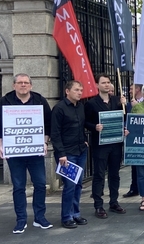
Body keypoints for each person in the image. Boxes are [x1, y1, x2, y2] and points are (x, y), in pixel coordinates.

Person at [0, 73, 53, 233]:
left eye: (26, 82)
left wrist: (45, 142)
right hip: (15, 153)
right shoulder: (4, 101)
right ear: (14, 85)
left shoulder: (40, 100)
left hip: (35, 152)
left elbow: (48, 123)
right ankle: (21, 220)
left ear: (31, 85)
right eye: (20, 82)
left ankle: (40, 218)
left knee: (40, 184)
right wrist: (1, 145)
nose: (23, 85)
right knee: (18, 187)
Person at [84, 74, 126, 219]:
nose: (106, 85)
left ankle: (114, 201)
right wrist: (94, 127)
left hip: (116, 143)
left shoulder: (117, 101)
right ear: (97, 85)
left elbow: (124, 119)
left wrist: (126, 107)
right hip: (100, 145)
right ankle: (98, 205)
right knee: (99, 175)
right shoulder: (91, 103)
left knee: (115, 174)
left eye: (108, 82)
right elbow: (85, 122)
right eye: (103, 83)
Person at [51, 80, 88, 229]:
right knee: (69, 186)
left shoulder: (80, 107)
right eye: (77, 90)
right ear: (67, 91)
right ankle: (66, 216)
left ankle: (76, 214)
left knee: (78, 184)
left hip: (80, 150)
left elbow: (81, 126)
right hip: (67, 153)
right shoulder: (59, 108)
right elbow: (55, 133)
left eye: (81, 90)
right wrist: (61, 153)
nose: (80, 92)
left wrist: (85, 141)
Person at [123, 83, 143, 198]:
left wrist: (137, 107)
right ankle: (134, 188)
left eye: (131, 89)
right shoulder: (130, 103)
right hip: (133, 139)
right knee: (134, 164)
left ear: (138, 89)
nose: (130, 91)